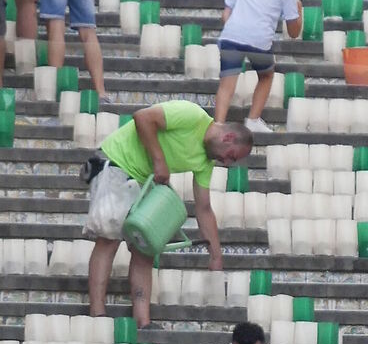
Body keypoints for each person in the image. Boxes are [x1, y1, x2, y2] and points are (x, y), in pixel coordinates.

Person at [86, 105, 251, 325]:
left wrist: (216, 255)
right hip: (118, 162)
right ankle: (97, 315)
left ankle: (142, 322)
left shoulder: (205, 162)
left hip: (145, 180)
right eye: (230, 157)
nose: (227, 163)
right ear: (228, 138)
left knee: (145, 247)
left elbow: (203, 208)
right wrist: (159, 160)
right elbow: (142, 118)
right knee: (109, 239)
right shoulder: (193, 116)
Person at [213, 0, 302, 134]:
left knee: (227, 83)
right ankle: (253, 119)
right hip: (259, 41)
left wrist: (235, 28)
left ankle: (218, 124)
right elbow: (294, 32)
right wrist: (299, 10)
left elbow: (225, 13)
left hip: (231, 37)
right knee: (267, 75)